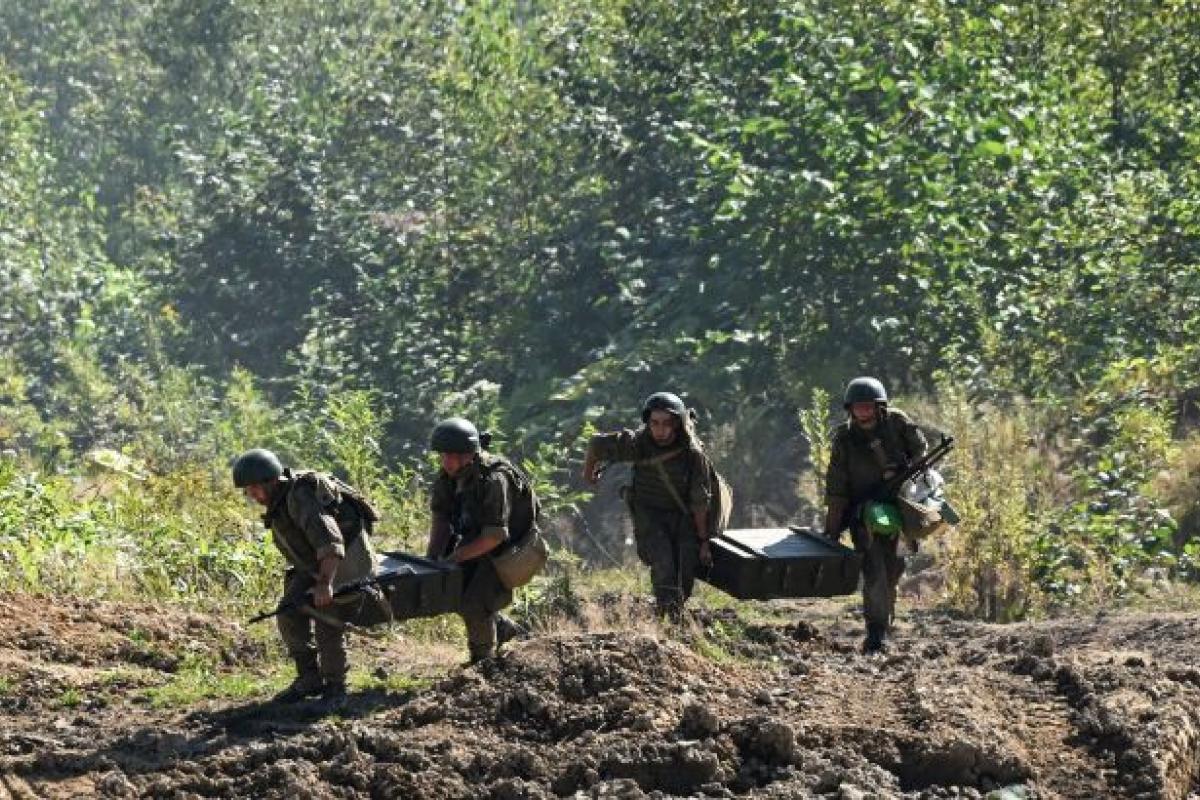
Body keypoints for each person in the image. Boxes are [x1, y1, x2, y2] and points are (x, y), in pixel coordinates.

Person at [232, 448, 377, 703]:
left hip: (348, 558)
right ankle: (309, 678)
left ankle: (335, 687)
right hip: (318, 563)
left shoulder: (300, 497)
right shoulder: (279, 501)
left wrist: (324, 585)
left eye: (253, 488)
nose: (251, 495)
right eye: (248, 490)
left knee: (325, 612)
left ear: (271, 481)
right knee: (288, 611)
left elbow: (331, 542)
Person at [582, 392, 713, 619]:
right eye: (654, 423)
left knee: (685, 569)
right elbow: (596, 444)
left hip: (683, 515)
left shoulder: (692, 454)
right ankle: (667, 618)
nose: (660, 430)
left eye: (666, 424)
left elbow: (700, 501)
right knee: (663, 563)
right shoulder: (637, 444)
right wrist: (588, 472)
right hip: (649, 514)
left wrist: (703, 542)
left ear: (678, 424)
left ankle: (675, 613)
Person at [823, 377, 928, 654]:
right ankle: (875, 631)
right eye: (858, 408)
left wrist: (906, 473)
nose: (864, 412)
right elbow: (836, 488)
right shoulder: (844, 440)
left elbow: (921, 450)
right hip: (865, 513)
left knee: (894, 568)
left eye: (869, 406)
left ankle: (885, 618)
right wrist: (832, 529)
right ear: (850, 409)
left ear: (879, 406)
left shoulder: (897, 423)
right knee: (874, 570)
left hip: (900, 506)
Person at [426, 418, 534, 664]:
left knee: (475, 601)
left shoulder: (494, 479)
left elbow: (496, 535)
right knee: (453, 588)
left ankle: (482, 661)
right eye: (442, 455)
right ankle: (505, 629)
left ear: (467, 455)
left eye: (450, 456)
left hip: (510, 547)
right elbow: (441, 518)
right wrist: (432, 558)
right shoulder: (449, 476)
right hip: (478, 539)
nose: (444, 461)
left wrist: (456, 557)